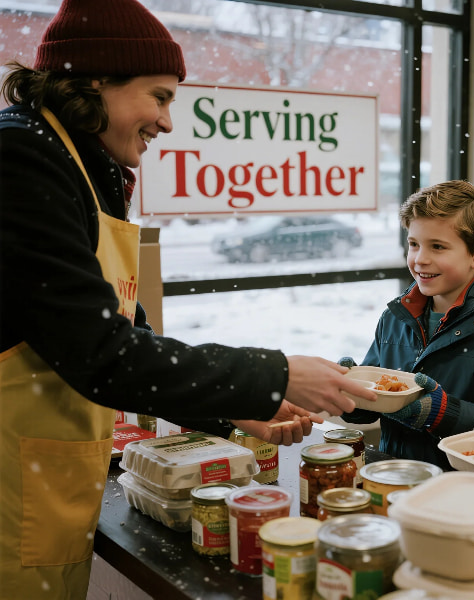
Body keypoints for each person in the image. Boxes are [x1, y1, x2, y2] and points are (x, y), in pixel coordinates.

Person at [0, 1, 375, 597]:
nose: (167, 122)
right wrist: (275, 374)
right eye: (160, 97)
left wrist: (233, 411)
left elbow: (131, 335)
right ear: (95, 81)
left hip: (41, 484)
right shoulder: (22, 159)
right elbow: (102, 353)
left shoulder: (78, 164)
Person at [340, 180, 474, 470]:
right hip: (394, 473)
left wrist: (443, 414)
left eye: (437, 247)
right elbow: (377, 399)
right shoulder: (395, 318)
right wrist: (352, 395)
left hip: (461, 483)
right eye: (414, 244)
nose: (420, 259)